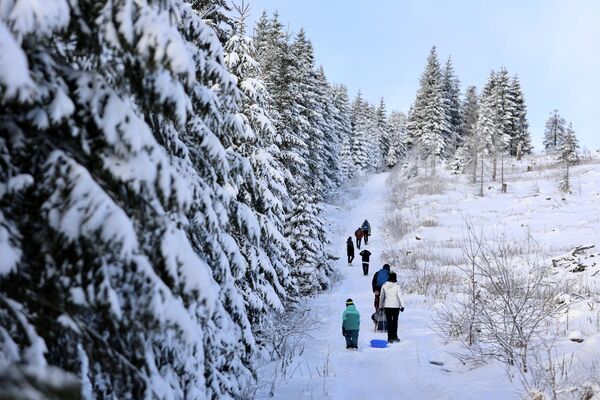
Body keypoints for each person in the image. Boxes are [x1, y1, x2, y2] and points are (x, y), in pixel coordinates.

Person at [379, 273, 405, 343]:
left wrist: (380, 306)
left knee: (389, 322)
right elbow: (400, 296)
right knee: (395, 321)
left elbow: (382, 297)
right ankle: (395, 336)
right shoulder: (397, 287)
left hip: (387, 306)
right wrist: (402, 305)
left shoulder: (384, 286)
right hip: (396, 306)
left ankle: (390, 337)